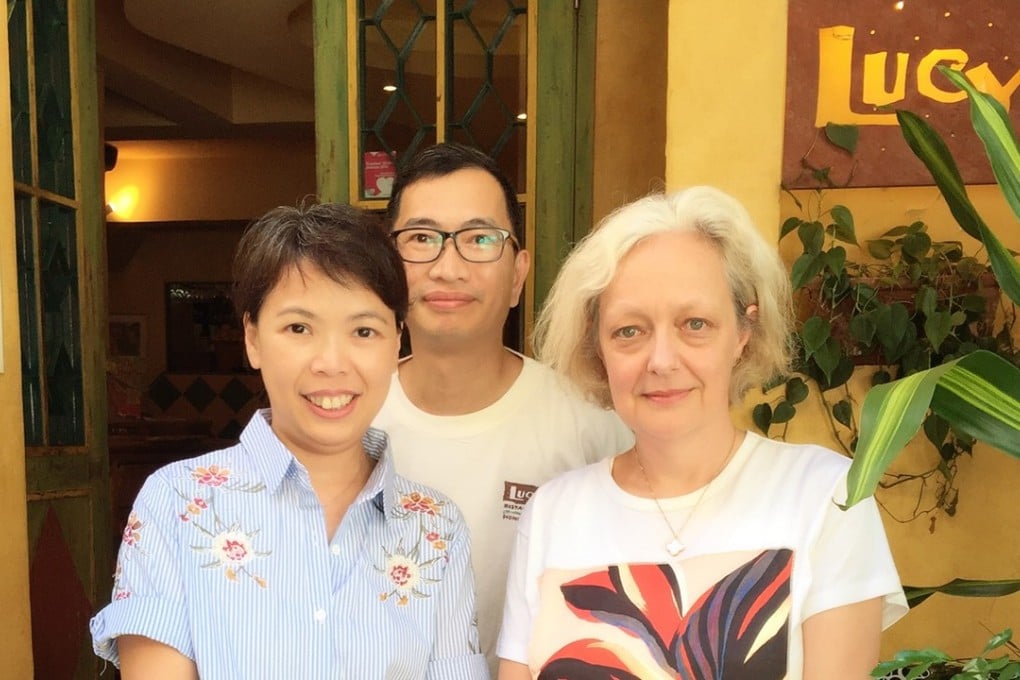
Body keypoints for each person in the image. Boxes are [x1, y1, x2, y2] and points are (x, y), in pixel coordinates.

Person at [497, 186, 908, 679]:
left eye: (695, 324)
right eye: (629, 330)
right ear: (596, 348)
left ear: (743, 333)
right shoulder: (552, 514)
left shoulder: (825, 496)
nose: (662, 360)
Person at [91, 203, 488, 679]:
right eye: (299, 328)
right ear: (252, 339)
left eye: (364, 330)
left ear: (396, 343)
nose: (331, 363)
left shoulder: (435, 528)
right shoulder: (178, 504)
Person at [373, 142, 633, 671]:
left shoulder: (591, 423)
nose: (448, 267)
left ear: (518, 275)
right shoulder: (350, 419)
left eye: (479, 239)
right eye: (421, 238)